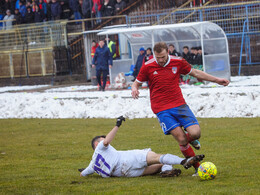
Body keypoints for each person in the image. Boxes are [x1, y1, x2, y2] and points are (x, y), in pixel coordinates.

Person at [131, 42, 229, 176]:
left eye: (163, 57)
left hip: (179, 104)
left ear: (168, 52)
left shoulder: (178, 62)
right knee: (181, 140)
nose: (160, 60)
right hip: (161, 109)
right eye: (158, 57)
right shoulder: (148, 66)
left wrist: (216, 80)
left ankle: (191, 139)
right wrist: (134, 89)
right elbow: (136, 83)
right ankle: (198, 168)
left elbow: (195, 72)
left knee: (196, 133)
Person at [79, 116, 205, 178]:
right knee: (157, 157)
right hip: (129, 159)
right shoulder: (101, 147)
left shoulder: (92, 164)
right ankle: (184, 161)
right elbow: (106, 142)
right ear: (96, 144)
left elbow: (83, 174)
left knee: (158, 166)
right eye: (102, 139)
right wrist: (117, 125)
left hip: (125, 173)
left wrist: (84, 171)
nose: (105, 140)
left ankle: (166, 170)